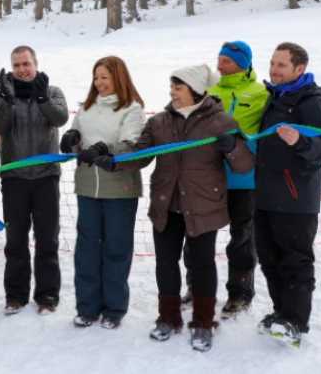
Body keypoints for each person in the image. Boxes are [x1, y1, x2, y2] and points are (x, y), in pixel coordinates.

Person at [100, 64, 253, 352]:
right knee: (165, 263)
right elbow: (140, 154)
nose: (172, 92)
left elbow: (244, 165)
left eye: (178, 87)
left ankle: (204, 322)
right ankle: (168, 317)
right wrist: (113, 159)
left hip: (203, 206)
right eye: (172, 87)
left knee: (202, 264)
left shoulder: (221, 122)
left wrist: (232, 146)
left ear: (195, 91)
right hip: (166, 205)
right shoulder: (160, 122)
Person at [254, 42, 321, 346]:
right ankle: (281, 313)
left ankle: (295, 321)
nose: (274, 70)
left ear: (299, 69)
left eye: (282, 65)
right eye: (273, 63)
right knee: (268, 258)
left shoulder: (310, 101)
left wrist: (300, 142)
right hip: (263, 193)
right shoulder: (274, 96)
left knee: (295, 261)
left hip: (295, 198)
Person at [59, 56, 146, 330]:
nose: (99, 82)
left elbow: (131, 145)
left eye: (105, 77)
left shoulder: (132, 109)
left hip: (118, 188)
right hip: (87, 187)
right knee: (86, 250)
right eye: (96, 77)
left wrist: (105, 150)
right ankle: (87, 307)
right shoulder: (87, 108)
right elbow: (79, 138)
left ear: (118, 78)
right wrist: (71, 138)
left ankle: (114, 308)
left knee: (116, 249)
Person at [0, 45, 69, 315]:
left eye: (26, 64)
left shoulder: (53, 91)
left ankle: (47, 296)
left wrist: (43, 98)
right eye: (16, 65)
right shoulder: (1, 95)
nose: (22, 70)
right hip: (14, 178)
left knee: (47, 238)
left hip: (46, 176)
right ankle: (15, 295)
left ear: (35, 63)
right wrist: (8, 100)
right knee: (16, 240)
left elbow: (60, 119)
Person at [200, 40, 269, 317]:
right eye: (219, 59)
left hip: (244, 178)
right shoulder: (210, 91)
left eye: (226, 60)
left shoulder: (260, 93)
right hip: (209, 176)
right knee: (200, 236)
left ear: (242, 62)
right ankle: (198, 288)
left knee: (241, 238)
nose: (220, 64)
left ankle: (240, 293)